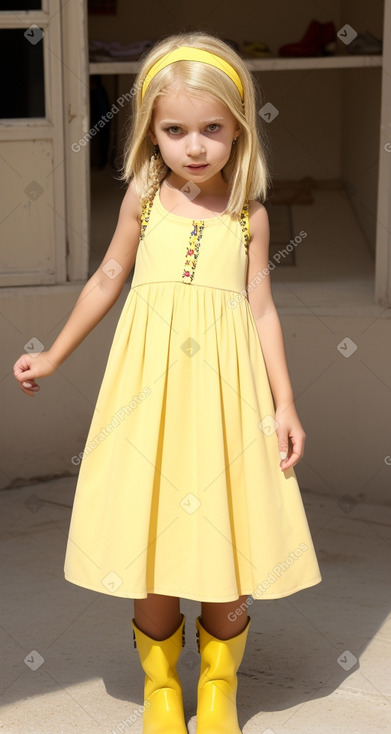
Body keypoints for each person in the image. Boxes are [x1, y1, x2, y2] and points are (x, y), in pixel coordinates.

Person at [13, 31, 322, 734]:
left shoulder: (249, 213)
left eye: (211, 129)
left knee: (225, 538)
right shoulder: (144, 200)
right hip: (147, 402)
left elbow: (263, 309)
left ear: (239, 127)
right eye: (175, 129)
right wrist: (55, 354)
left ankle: (217, 686)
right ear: (150, 131)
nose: (194, 146)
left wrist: (285, 403)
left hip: (224, 403)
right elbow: (106, 278)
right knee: (149, 538)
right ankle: (159, 686)